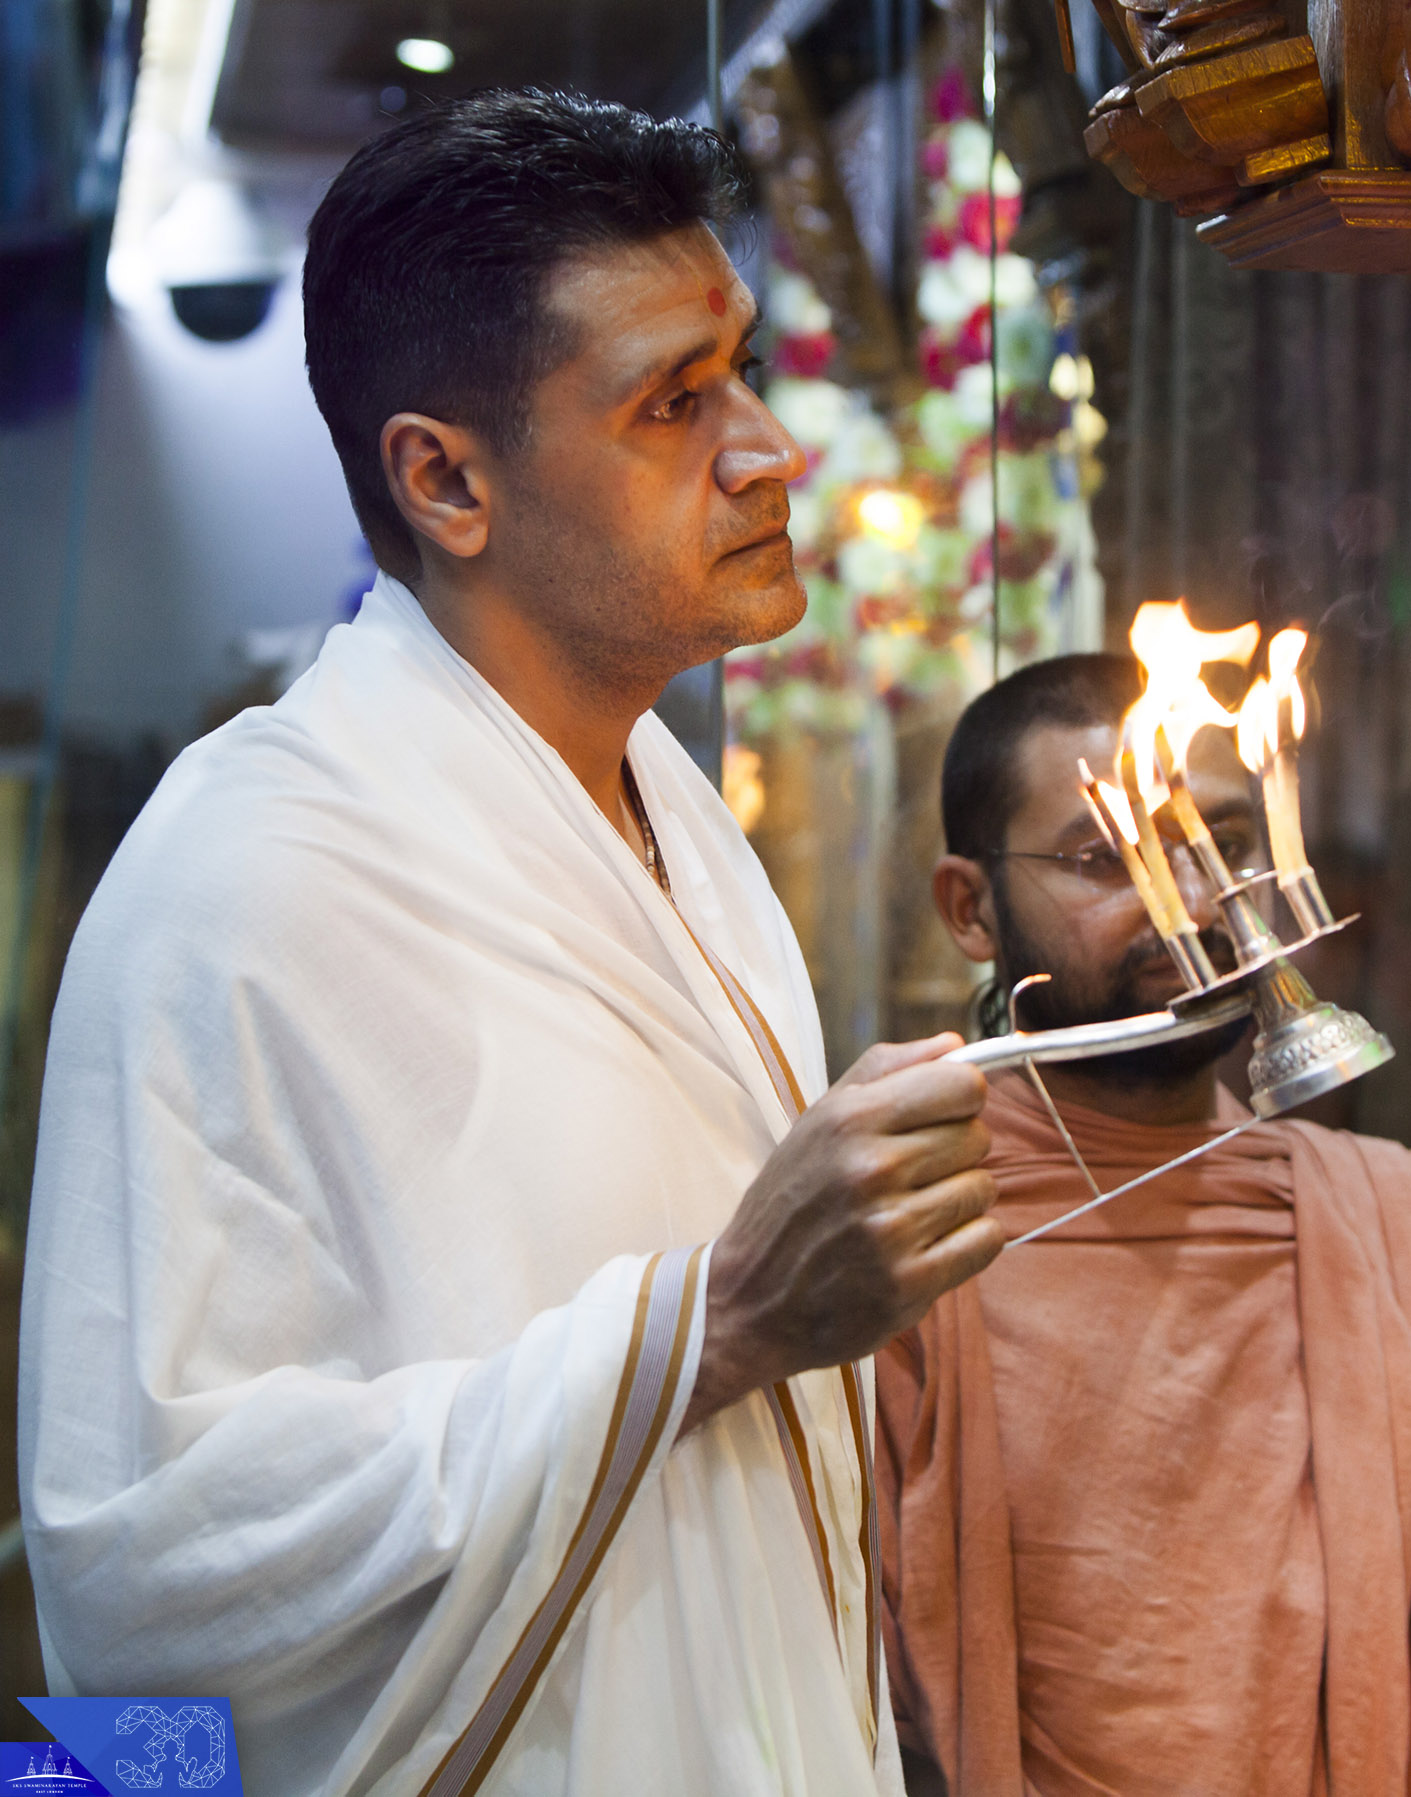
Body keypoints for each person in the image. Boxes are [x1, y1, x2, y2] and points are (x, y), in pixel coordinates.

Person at [18, 92, 1004, 1797]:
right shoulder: (247, 873)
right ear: (446, 477)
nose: (768, 447)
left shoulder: (678, 823)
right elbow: (140, 1575)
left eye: (740, 369)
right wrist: (712, 1326)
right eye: (674, 403)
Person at [875, 653, 1411, 1797]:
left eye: (1219, 841)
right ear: (970, 909)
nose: (1191, 900)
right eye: (1106, 856)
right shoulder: (895, 1254)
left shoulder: (1388, 1231)